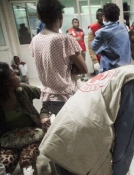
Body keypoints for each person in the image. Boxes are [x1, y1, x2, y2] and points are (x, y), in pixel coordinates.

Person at [39, 57, 134, 175]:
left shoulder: (115, 73)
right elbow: (127, 135)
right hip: (81, 143)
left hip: (59, 135)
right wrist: (119, 171)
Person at [29, 0, 88, 173]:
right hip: (67, 97)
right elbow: (84, 68)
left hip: (48, 98)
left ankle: (61, 168)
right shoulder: (64, 39)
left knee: (61, 137)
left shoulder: (36, 40)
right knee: (75, 140)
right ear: (60, 17)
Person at [0, 62, 49, 175]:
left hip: (31, 135)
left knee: (28, 163)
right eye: (13, 74)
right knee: (5, 164)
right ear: (6, 83)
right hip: (7, 139)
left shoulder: (23, 90)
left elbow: (47, 96)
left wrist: (44, 115)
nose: (17, 76)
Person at [91, 3, 131, 72]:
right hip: (126, 67)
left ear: (105, 17)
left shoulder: (103, 32)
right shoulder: (123, 27)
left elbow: (94, 47)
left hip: (111, 70)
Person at [88, 8, 104, 75]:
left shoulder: (108, 26)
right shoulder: (92, 27)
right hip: (98, 57)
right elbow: (90, 45)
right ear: (97, 17)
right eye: (101, 16)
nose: (103, 18)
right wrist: (95, 61)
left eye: (104, 15)